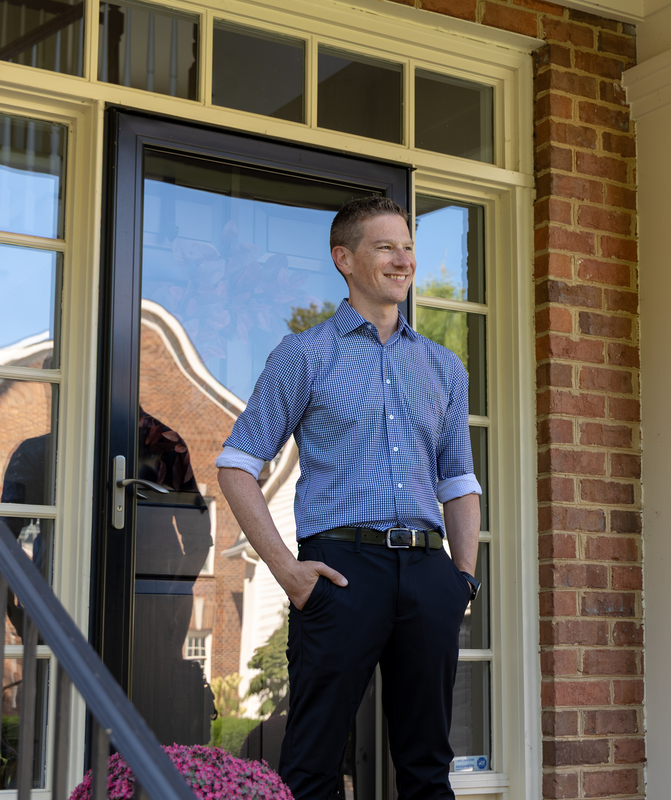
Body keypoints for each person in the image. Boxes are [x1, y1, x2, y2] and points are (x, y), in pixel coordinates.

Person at [214, 196, 482, 800]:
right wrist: (289, 573)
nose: (403, 259)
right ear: (345, 259)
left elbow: (458, 481)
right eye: (386, 246)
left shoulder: (444, 367)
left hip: (427, 570)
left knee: (427, 766)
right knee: (312, 764)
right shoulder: (305, 355)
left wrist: (460, 579)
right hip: (339, 573)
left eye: (408, 246)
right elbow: (237, 465)